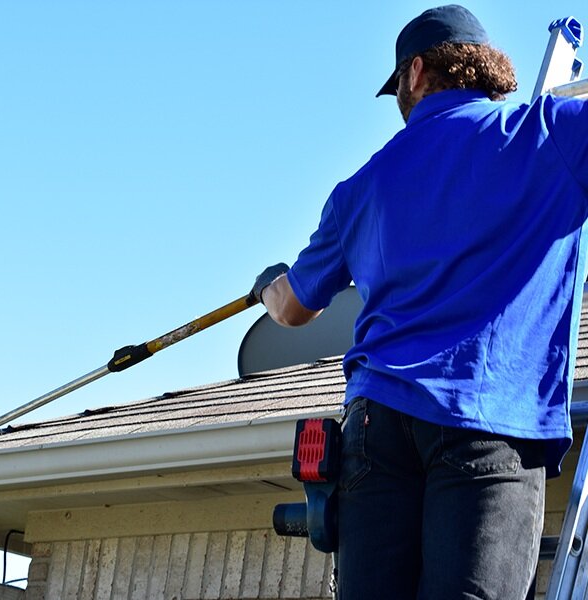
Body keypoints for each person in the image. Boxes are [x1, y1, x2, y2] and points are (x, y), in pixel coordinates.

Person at [251, 5, 588, 600]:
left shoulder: (363, 186)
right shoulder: (551, 133)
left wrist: (269, 284)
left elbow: (292, 309)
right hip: (484, 429)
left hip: (376, 430)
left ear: (415, 74)